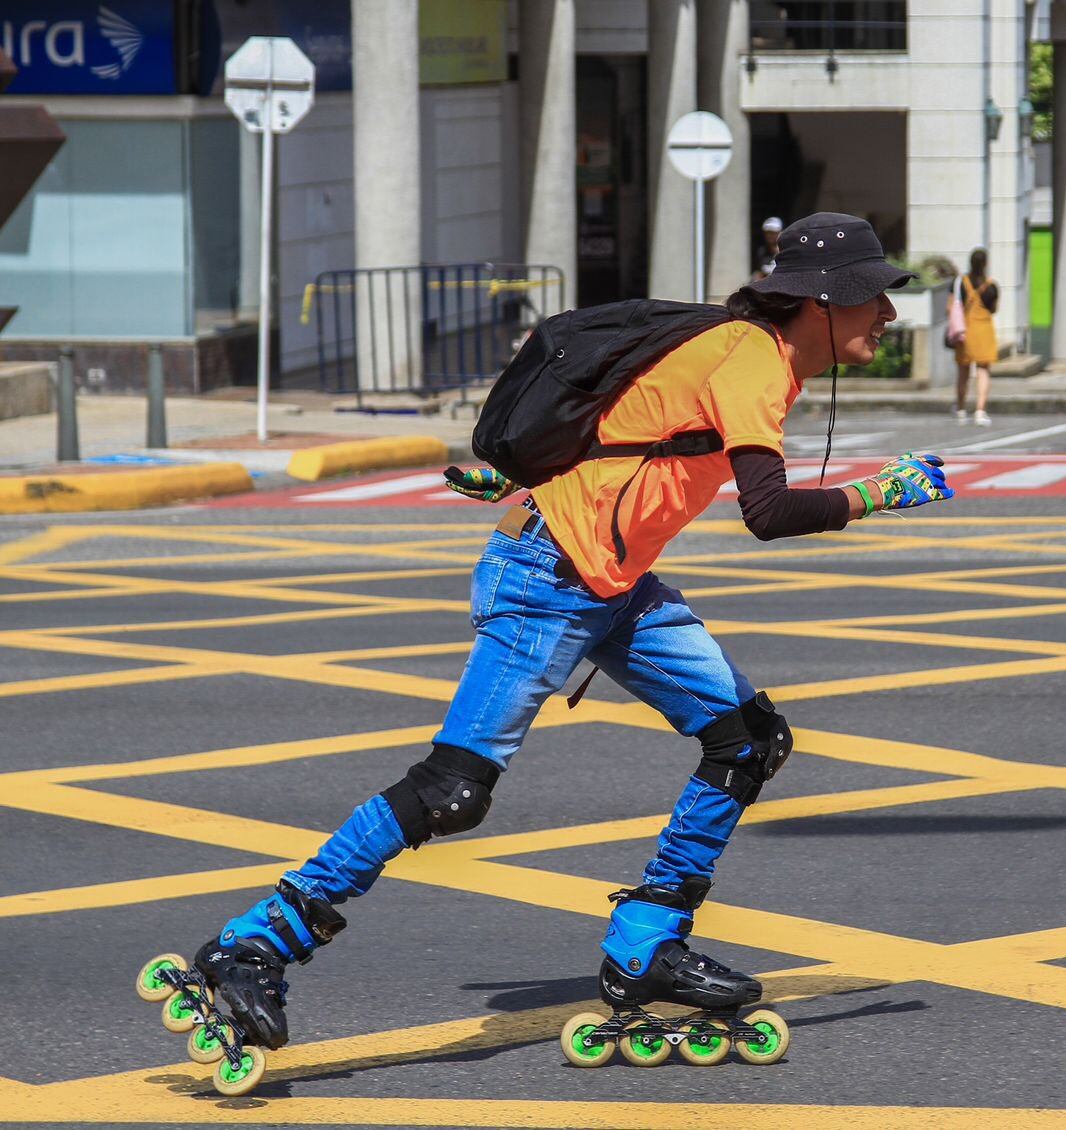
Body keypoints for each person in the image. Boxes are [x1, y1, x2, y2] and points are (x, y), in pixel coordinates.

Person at [173, 213, 955, 1066]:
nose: (887, 314)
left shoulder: (741, 349)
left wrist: (527, 472)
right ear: (823, 300)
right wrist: (883, 492)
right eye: (875, 296)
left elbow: (620, 418)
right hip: (548, 577)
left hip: (610, 581)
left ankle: (646, 943)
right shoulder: (753, 360)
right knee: (452, 790)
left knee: (748, 740)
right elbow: (767, 513)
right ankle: (256, 943)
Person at [953, 248, 999, 426]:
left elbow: (952, 306)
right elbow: (993, 309)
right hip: (984, 330)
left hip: (966, 330)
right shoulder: (991, 286)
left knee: (963, 371)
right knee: (983, 370)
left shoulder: (961, 282)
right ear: (986, 263)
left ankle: (961, 409)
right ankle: (980, 411)